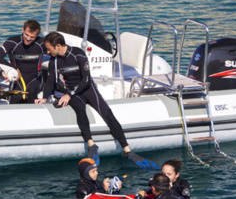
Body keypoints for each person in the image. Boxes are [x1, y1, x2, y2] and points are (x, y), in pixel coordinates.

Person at [35, 32, 157, 170]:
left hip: (87, 88)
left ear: (57, 46)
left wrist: (69, 94)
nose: (47, 51)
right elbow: (50, 82)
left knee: (107, 113)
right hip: (73, 92)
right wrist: (44, 97)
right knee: (80, 110)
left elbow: (86, 79)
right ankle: (92, 145)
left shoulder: (78, 54)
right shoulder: (54, 61)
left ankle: (127, 150)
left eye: (49, 48)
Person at [0, 19, 46, 104]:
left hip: (35, 79)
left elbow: (56, 51)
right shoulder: (12, 42)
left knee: (32, 93)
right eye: (26, 35)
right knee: (16, 97)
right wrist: (13, 68)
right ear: (23, 29)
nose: (28, 39)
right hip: (17, 78)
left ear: (37, 35)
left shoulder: (41, 43)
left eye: (32, 37)